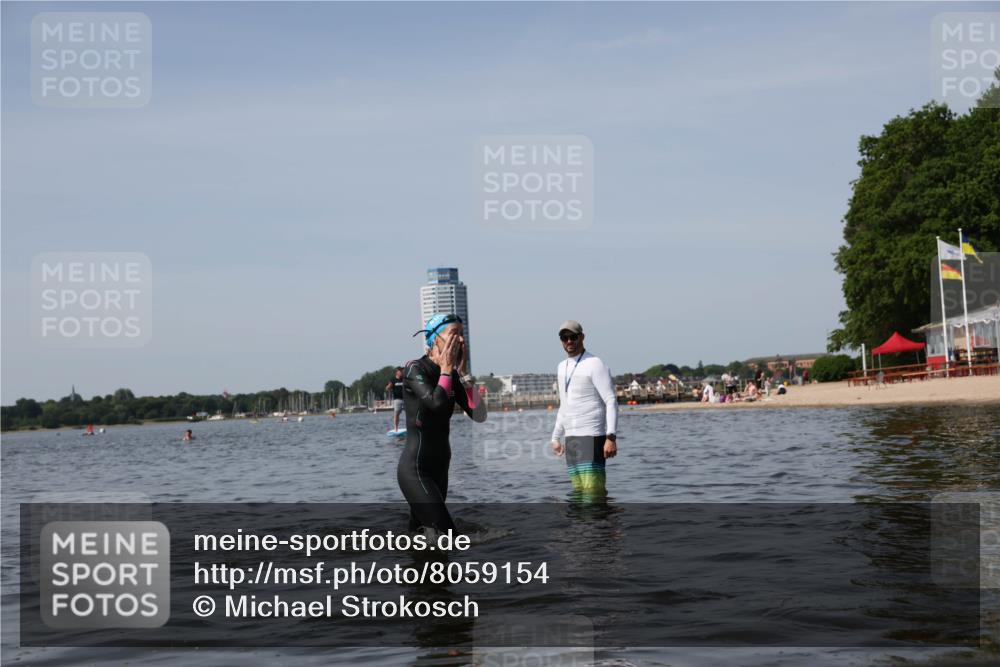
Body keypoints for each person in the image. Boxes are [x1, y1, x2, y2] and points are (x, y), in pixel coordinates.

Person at [397, 313, 487, 533]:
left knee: (418, 536)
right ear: (435, 339)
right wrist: (447, 369)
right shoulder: (415, 369)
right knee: (448, 535)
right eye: (454, 334)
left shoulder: (454, 376)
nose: (462, 340)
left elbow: (479, 414)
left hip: (440, 469)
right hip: (415, 470)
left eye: (463, 334)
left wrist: (463, 373)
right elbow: (436, 403)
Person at [550, 320, 618, 495]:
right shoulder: (561, 367)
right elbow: (563, 405)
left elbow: (611, 400)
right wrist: (556, 437)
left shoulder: (594, 363)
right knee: (578, 493)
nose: (569, 341)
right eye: (564, 338)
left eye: (573, 336)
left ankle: (601, 523)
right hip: (571, 439)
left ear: (582, 337)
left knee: (593, 494)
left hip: (592, 436)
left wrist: (610, 437)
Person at [385, 367, 405, 431]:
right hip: (397, 400)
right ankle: (396, 428)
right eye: (400, 371)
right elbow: (387, 388)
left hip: (405, 399)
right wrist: (389, 386)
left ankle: (410, 427)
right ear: (397, 372)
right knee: (397, 414)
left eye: (402, 371)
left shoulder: (404, 379)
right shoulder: (393, 380)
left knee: (410, 413)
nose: (402, 372)